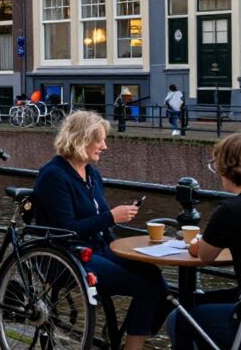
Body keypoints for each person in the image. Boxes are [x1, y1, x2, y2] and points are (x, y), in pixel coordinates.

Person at [32, 110, 168, 350]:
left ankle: (136, 330)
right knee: (146, 290)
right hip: (66, 256)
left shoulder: (92, 173)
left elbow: (98, 222)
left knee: (153, 274)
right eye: (100, 140)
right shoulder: (53, 175)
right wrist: (111, 216)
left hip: (97, 249)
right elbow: (66, 230)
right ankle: (132, 345)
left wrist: (122, 248)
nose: (104, 146)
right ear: (82, 139)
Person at [167, 133, 241, 350]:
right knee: (204, 303)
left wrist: (196, 242)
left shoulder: (232, 209)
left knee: (180, 318)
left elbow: (205, 255)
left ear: (228, 169)